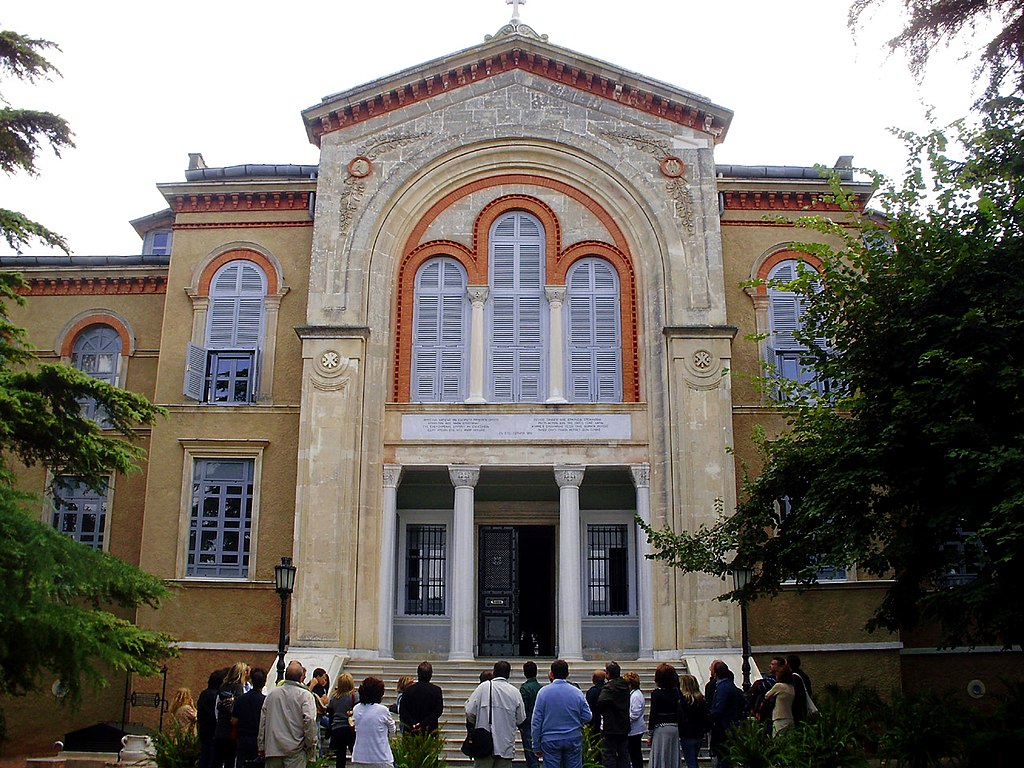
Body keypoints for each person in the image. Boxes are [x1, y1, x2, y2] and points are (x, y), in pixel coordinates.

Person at [465, 660, 527, 768]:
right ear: (509, 674)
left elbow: (469, 710)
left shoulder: (483, 687)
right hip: (505, 745)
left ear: (494, 672)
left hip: (484, 743)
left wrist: (476, 723)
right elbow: (521, 719)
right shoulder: (515, 692)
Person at [530, 659, 592, 768]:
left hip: (550, 738)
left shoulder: (543, 692)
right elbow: (587, 716)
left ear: (551, 674)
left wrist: (536, 745)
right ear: (567, 674)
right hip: (572, 737)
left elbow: (536, 721)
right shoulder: (576, 692)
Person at [258, 660, 318, 768]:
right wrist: (309, 745)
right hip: (296, 750)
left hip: (273, 749)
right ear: (301, 678)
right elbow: (309, 720)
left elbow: (263, 722)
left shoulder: (272, 695)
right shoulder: (305, 696)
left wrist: (261, 746)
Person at [350, 677, 396, 768]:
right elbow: (392, 728)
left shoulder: (356, 708)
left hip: (359, 756)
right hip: (381, 757)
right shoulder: (382, 710)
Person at [708, 662, 745, 768]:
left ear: (715, 673)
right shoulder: (728, 685)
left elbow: (719, 709)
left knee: (724, 757)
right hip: (728, 725)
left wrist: (709, 717)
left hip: (723, 727)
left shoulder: (723, 687)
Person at [597, 662, 631, 768]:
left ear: (608, 674)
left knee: (609, 755)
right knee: (623, 754)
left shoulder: (608, 688)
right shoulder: (625, 686)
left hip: (610, 726)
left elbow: (601, 702)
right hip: (623, 724)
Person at [215, 663, 249, 768]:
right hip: (232, 729)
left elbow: (217, 707)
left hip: (220, 727)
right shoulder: (238, 687)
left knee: (218, 760)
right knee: (230, 759)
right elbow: (240, 707)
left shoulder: (223, 686)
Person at [647, 664, 680, 768]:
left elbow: (653, 714)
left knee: (661, 757)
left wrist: (650, 733)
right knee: (672, 757)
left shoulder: (656, 694)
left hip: (661, 727)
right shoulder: (676, 693)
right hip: (674, 726)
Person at [399, 661, 445, 735]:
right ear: (431, 675)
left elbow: (403, 710)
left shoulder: (408, 690)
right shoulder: (436, 690)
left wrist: (413, 724)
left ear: (418, 674)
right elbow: (438, 711)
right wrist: (423, 724)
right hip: (429, 730)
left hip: (411, 730)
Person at [234, 668, 268, 768]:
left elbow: (234, 720)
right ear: (264, 682)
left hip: (243, 738)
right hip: (258, 739)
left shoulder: (241, 699)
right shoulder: (265, 701)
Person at [326, 673, 358, 768]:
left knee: (340, 756)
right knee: (354, 752)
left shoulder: (334, 697)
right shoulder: (355, 696)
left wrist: (330, 729)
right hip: (350, 728)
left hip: (337, 728)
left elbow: (330, 714)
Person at [198, 669, 227, 768]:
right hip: (214, 732)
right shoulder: (217, 696)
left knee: (204, 756)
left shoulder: (203, 694)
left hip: (204, 731)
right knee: (213, 759)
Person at [677, 674, 708, 768]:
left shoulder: (683, 701)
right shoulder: (701, 699)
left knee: (690, 761)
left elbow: (680, 717)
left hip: (687, 734)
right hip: (698, 733)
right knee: (693, 758)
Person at [519, 661, 544, 768]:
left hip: (528, 723)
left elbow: (523, 708)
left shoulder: (525, 688)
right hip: (540, 722)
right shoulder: (541, 688)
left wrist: (520, 723)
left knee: (530, 753)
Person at [763, 668, 795, 736]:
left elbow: (767, 696)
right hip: (789, 717)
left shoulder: (779, 686)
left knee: (778, 739)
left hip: (779, 717)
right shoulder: (791, 687)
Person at [624, 672, 645, 768]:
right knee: (633, 753)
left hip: (635, 730)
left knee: (635, 753)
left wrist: (624, 721)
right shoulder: (633, 694)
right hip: (633, 729)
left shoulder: (636, 696)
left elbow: (635, 714)